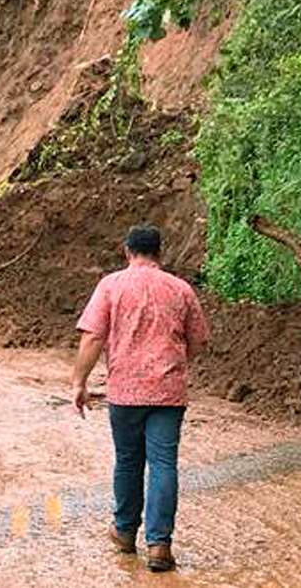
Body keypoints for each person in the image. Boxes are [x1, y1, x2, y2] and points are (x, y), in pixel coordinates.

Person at [71, 225, 210, 572]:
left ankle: (124, 531)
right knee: (164, 464)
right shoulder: (180, 289)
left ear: (127, 251)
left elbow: (92, 338)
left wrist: (79, 382)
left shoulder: (111, 285)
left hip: (126, 392)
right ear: (160, 253)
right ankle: (160, 545)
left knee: (129, 461)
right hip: (168, 392)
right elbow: (198, 341)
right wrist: (175, 364)